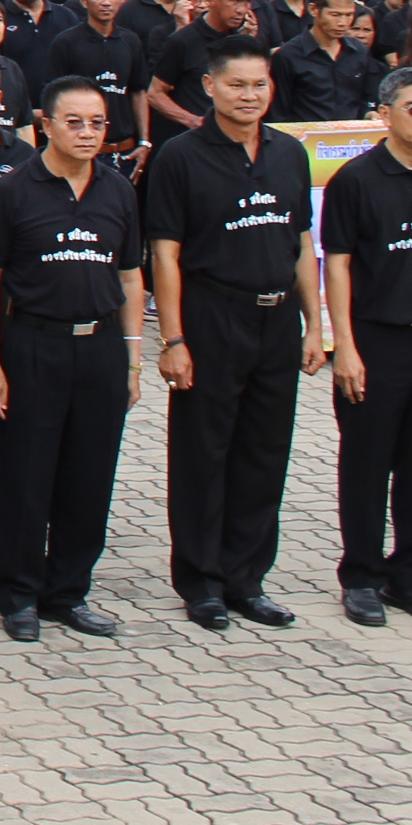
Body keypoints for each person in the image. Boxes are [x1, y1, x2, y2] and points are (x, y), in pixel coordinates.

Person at [144, 35, 326, 630]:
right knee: (204, 452)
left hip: (276, 319)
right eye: (238, 85)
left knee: (264, 452)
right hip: (211, 316)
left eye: (259, 84)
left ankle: (248, 577)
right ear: (210, 87)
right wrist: (173, 339)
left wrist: (313, 324)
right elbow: (165, 254)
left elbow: (301, 243)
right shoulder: (182, 157)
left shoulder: (288, 154)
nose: (250, 95)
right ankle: (202, 582)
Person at [0, 79, 143, 642]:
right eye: (75, 122)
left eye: (97, 123)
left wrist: (134, 359)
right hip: (33, 344)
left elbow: (129, 273)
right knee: (28, 474)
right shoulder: (14, 191)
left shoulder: (117, 190)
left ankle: (68, 591)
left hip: (100, 345)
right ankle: (18, 594)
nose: (88, 133)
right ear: (46, 123)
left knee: (90, 474)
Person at [319, 67, 412, 629]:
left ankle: (411, 577)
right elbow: (337, 264)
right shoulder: (356, 180)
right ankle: (360, 577)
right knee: (367, 464)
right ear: (385, 114)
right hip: (376, 340)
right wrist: (347, 347)